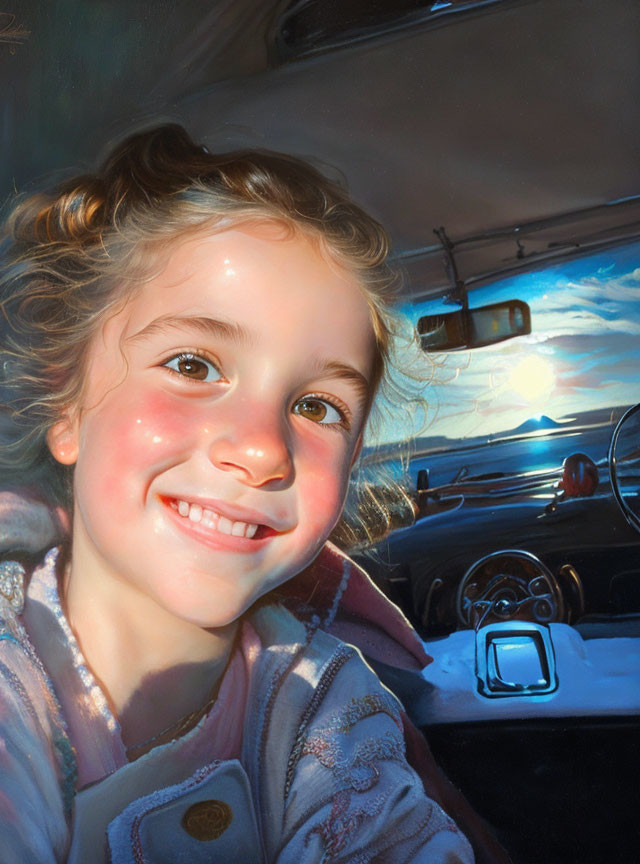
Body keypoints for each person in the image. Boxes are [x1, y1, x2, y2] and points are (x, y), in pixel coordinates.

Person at [0, 125, 477, 863]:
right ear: (67, 407)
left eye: (317, 407)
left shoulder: (329, 710)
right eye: (193, 364)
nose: (260, 448)